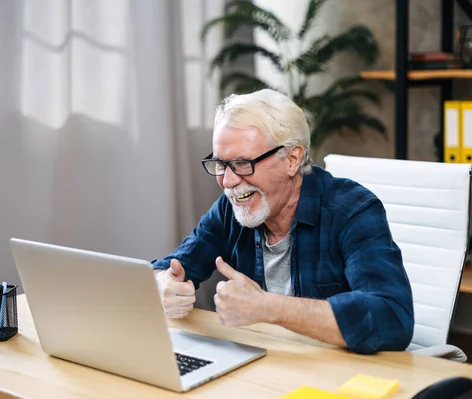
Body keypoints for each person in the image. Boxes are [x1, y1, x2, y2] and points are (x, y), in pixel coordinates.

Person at [152, 89, 414, 354]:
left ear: (292, 159)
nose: (228, 182)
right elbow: (170, 269)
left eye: (243, 163)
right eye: (221, 164)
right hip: (269, 367)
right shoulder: (231, 208)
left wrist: (268, 307)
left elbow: (392, 318)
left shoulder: (352, 211)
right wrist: (163, 284)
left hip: (341, 378)